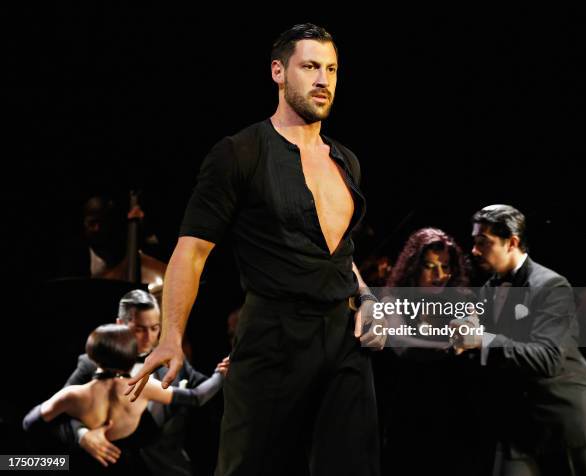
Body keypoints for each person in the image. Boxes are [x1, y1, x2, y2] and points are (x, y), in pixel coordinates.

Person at [127, 23, 382, 476]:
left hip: (343, 339)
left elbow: (339, 253)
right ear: (278, 72)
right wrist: (170, 335)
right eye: (309, 67)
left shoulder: (347, 161)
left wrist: (366, 297)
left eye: (332, 69)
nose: (323, 80)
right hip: (273, 335)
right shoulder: (239, 153)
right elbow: (191, 252)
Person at [451, 204, 586, 476]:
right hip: (517, 426)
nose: (475, 250)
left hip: (567, 424)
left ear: (511, 242)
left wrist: (483, 340)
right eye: (474, 242)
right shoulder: (490, 288)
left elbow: (547, 358)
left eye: (483, 242)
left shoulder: (551, 286)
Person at [24, 324, 224, 475]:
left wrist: (70, 441)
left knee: (12, 462)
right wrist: (220, 375)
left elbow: (30, 423)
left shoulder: (73, 395)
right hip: (130, 468)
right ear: (131, 358)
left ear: (92, 357)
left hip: (82, 466)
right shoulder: (142, 388)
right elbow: (197, 397)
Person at [65, 289, 228, 475]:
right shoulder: (91, 363)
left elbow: (210, 395)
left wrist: (224, 373)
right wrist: (83, 435)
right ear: (119, 324)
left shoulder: (174, 360)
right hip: (109, 466)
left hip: (168, 468)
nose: (149, 337)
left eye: (155, 328)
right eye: (139, 329)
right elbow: (61, 410)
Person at [381, 228, 483, 476]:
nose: (440, 276)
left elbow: (473, 333)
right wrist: (454, 346)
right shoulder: (392, 301)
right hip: (408, 411)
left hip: (453, 413)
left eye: (446, 267)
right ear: (414, 268)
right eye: (430, 267)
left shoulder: (461, 299)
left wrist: (472, 331)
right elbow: (404, 346)